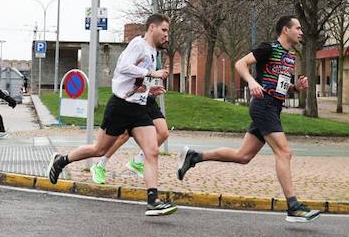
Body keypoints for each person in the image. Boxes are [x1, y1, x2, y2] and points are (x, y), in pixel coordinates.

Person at [176, 16, 321, 223]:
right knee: (284, 152)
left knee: (243, 156)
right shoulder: (268, 48)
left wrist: (296, 87)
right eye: (297, 28)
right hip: (263, 106)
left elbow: (279, 85)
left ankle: (195, 157)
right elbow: (240, 63)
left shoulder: (289, 57)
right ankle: (293, 206)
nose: (301, 32)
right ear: (285, 30)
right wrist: (252, 82)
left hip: (273, 107)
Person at [48, 15, 177, 217]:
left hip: (138, 107)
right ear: (152, 27)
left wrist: (148, 91)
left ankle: (153, 200)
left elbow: (134, 81)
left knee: (152, 151)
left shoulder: (152, 52)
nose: (166, 35)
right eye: (164, 30)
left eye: (167, 31)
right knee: (99, 149)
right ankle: (61, 161)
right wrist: (153, 74)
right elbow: (123, 68)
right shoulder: (138, 44)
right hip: (119, 107)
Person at [91, 41, 170, 183]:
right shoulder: (139, 47)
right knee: (124, 135)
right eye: (163, 31)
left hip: (147, 98)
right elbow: (130, 72)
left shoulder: (156, 52)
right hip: (132, 98)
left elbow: (148, 78)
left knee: (163, 132)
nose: (165, 37)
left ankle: (138, 161)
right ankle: (100, 164)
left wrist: (154, 87)